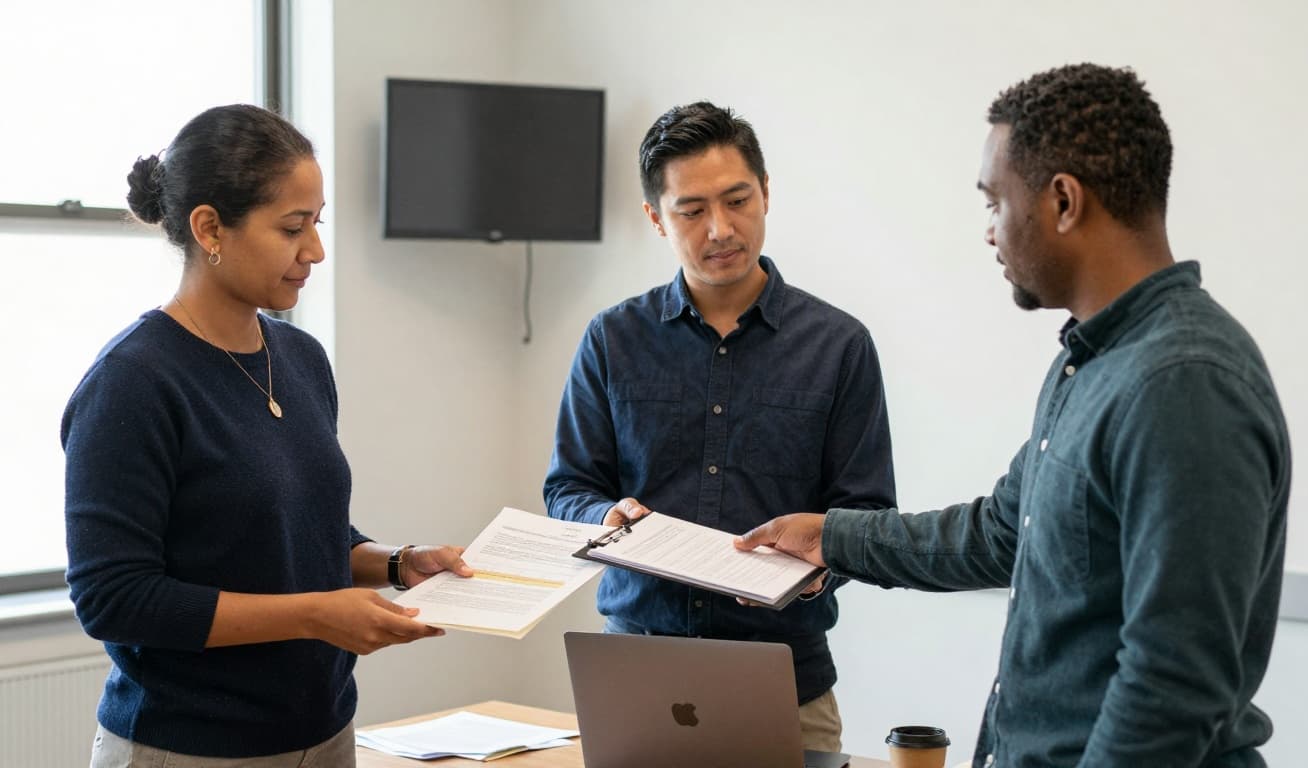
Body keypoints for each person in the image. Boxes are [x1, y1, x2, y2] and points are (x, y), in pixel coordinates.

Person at [736, 64, 1291, 767]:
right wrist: (833, 539)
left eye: (995, 202)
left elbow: (1174, 686)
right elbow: (1001, 530)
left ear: (1063, 201)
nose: (990, 232)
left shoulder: (1184, 384)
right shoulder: (1090, 362)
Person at [62, 104, 473, 768]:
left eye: (317, 222)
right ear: (209, 228)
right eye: (292, 228)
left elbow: (291, 537)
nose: (315, 250)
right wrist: (314, 615)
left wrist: (397, 562)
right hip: (187, 747)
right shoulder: (133, 383)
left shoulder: (301, 359)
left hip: (324, 733)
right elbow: (114, 598)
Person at [543, 101, 897, 751]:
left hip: (787, 680)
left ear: (767, 193)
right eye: (692, 210)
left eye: (738, 200)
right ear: (656, 218)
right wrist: (604, 519)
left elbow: (868, 509)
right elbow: (568, 486)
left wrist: (822, 563)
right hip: (633, 676)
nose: (721, 229)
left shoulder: (840, 345)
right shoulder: (611, 339)